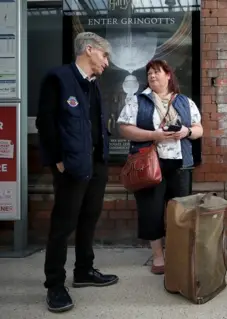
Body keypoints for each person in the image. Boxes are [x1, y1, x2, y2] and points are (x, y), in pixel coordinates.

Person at [36, 32, 119, 313]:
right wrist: (57, 160)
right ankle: (55, 285)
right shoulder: (58, 79)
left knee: (89, 218)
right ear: (89, 49)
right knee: (63, 225)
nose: (107, 62)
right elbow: (45, 123)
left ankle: (83, 270)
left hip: (96, 163)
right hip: (70, 165)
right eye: (104, 55)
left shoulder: (93, 85)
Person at [117, 59, 203, 275]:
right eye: (149, 74)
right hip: (149, 165)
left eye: (156, 72)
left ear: (168, 75)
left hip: (181, 165)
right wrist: (153, 135)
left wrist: (187, 132)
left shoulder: (185, 102)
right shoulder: (138, 101)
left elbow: (199, 129)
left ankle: (178, 253)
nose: (152, 77)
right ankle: (158, 257)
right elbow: (125, 129)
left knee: (181, 212)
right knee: (151, 211)